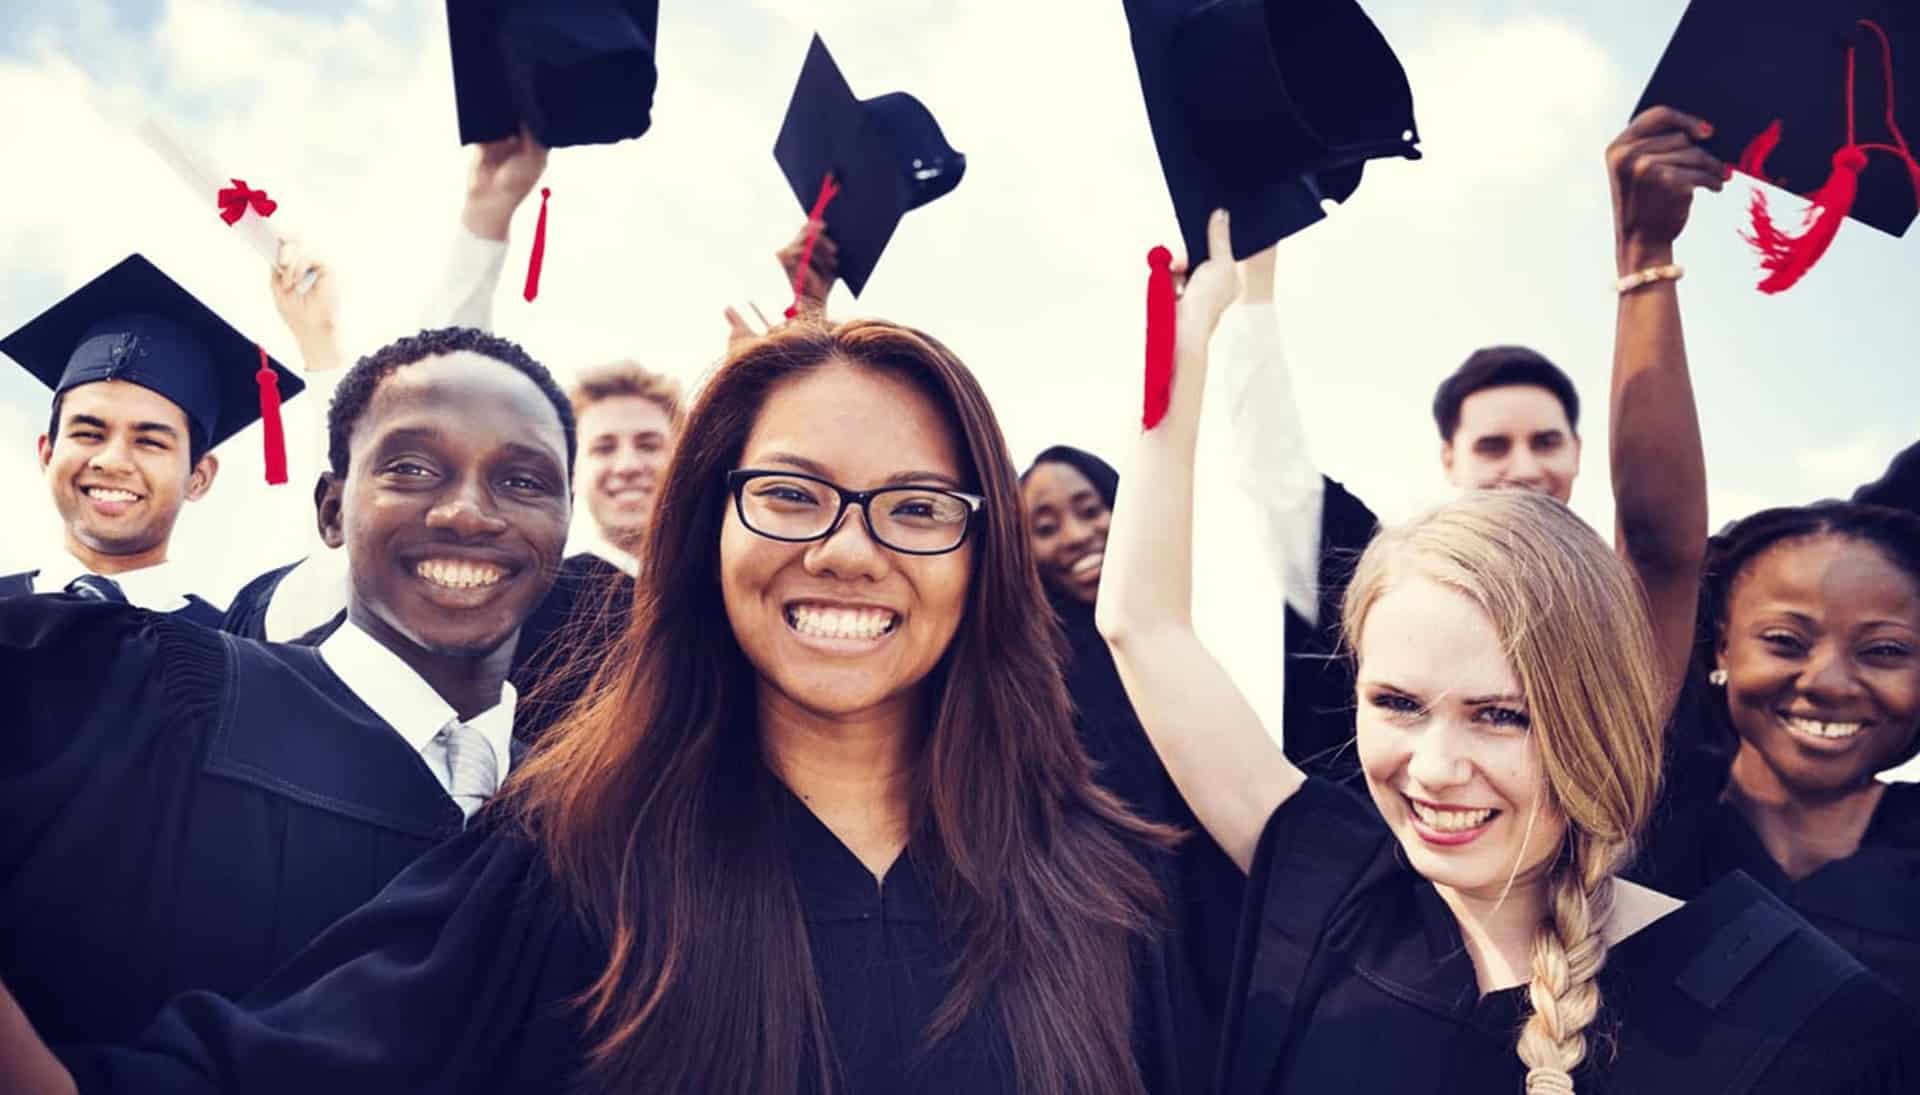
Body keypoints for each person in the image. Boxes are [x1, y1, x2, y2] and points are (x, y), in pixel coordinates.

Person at [1, 317, 1207, 1095]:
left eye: (917, 506)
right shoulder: (576, 859)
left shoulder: (1107, 889)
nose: (848, 551)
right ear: (706, 531)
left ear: (980, 554)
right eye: (790, 494)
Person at [1097, 206, 1916, 1094]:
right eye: (1398, 703)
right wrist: (1190, 338)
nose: (1438, 769)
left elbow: (1659, 542)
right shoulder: (1333, 883)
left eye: (1502, 715)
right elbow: (1141, 623)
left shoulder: (1800, 1026)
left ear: (1599, 715)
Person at [0, 325, 573, 1047]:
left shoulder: (584, 816)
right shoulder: (170, 695)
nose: (467, 510)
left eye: (522, 480)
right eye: (413, 468)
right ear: (331, 511)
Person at [1269, 106, 1712, 781]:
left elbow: (1658, 544)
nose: (1524, 468)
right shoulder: (1388, 588)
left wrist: (1645, 256)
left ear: (1580, 451)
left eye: (1544, 441)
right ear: (1450, 458)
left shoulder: (1612, 614)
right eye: (1494, 446)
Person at [1633, 501, 1920, 1008]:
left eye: (1884, 651)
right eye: (1786, 641)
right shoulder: (1646, 832)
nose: (1828, 684)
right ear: (1722, 648)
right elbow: (1658, 547)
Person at [0, 255, 309, 625]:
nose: (112, 460)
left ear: (200, 477)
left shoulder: (236, 655)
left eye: (150, 442)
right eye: (88, 433)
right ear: (47, 453)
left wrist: (320, 343)